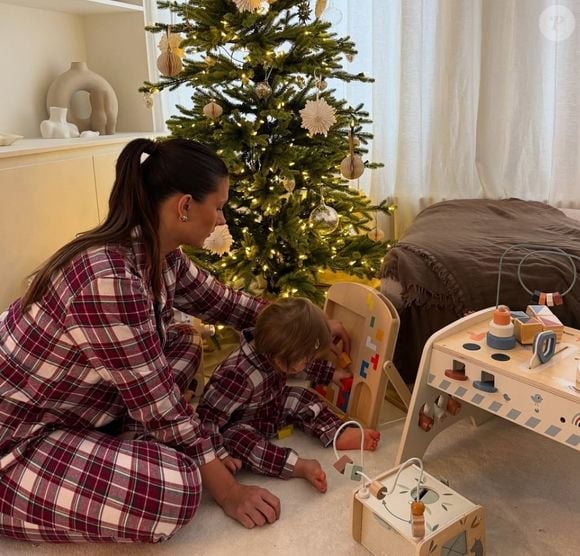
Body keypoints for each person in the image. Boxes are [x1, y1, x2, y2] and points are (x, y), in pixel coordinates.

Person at [0, 137, 350, 543]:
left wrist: (314, 328)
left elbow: (224, 302)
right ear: (185, 206)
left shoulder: (157, 252)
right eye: (217, 208)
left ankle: (110, 444)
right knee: (178, 489)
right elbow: (163, 408)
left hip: (74, 407)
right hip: (19, 435)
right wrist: (229, 491)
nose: (222, 221)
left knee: (184, 340)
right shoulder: (109, 280)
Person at [197, 297, 381, 493]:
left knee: (301, 396)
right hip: (236, 428)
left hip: (269, 406)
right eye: (306, 358)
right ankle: (298, 466)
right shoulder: (237, 375)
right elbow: (206, 419)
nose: (307, 363)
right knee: (243, 441)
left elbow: (303, 368)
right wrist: (221, 454)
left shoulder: (279, 354)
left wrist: (331, 374)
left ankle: (337, 432)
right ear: (287, 357)